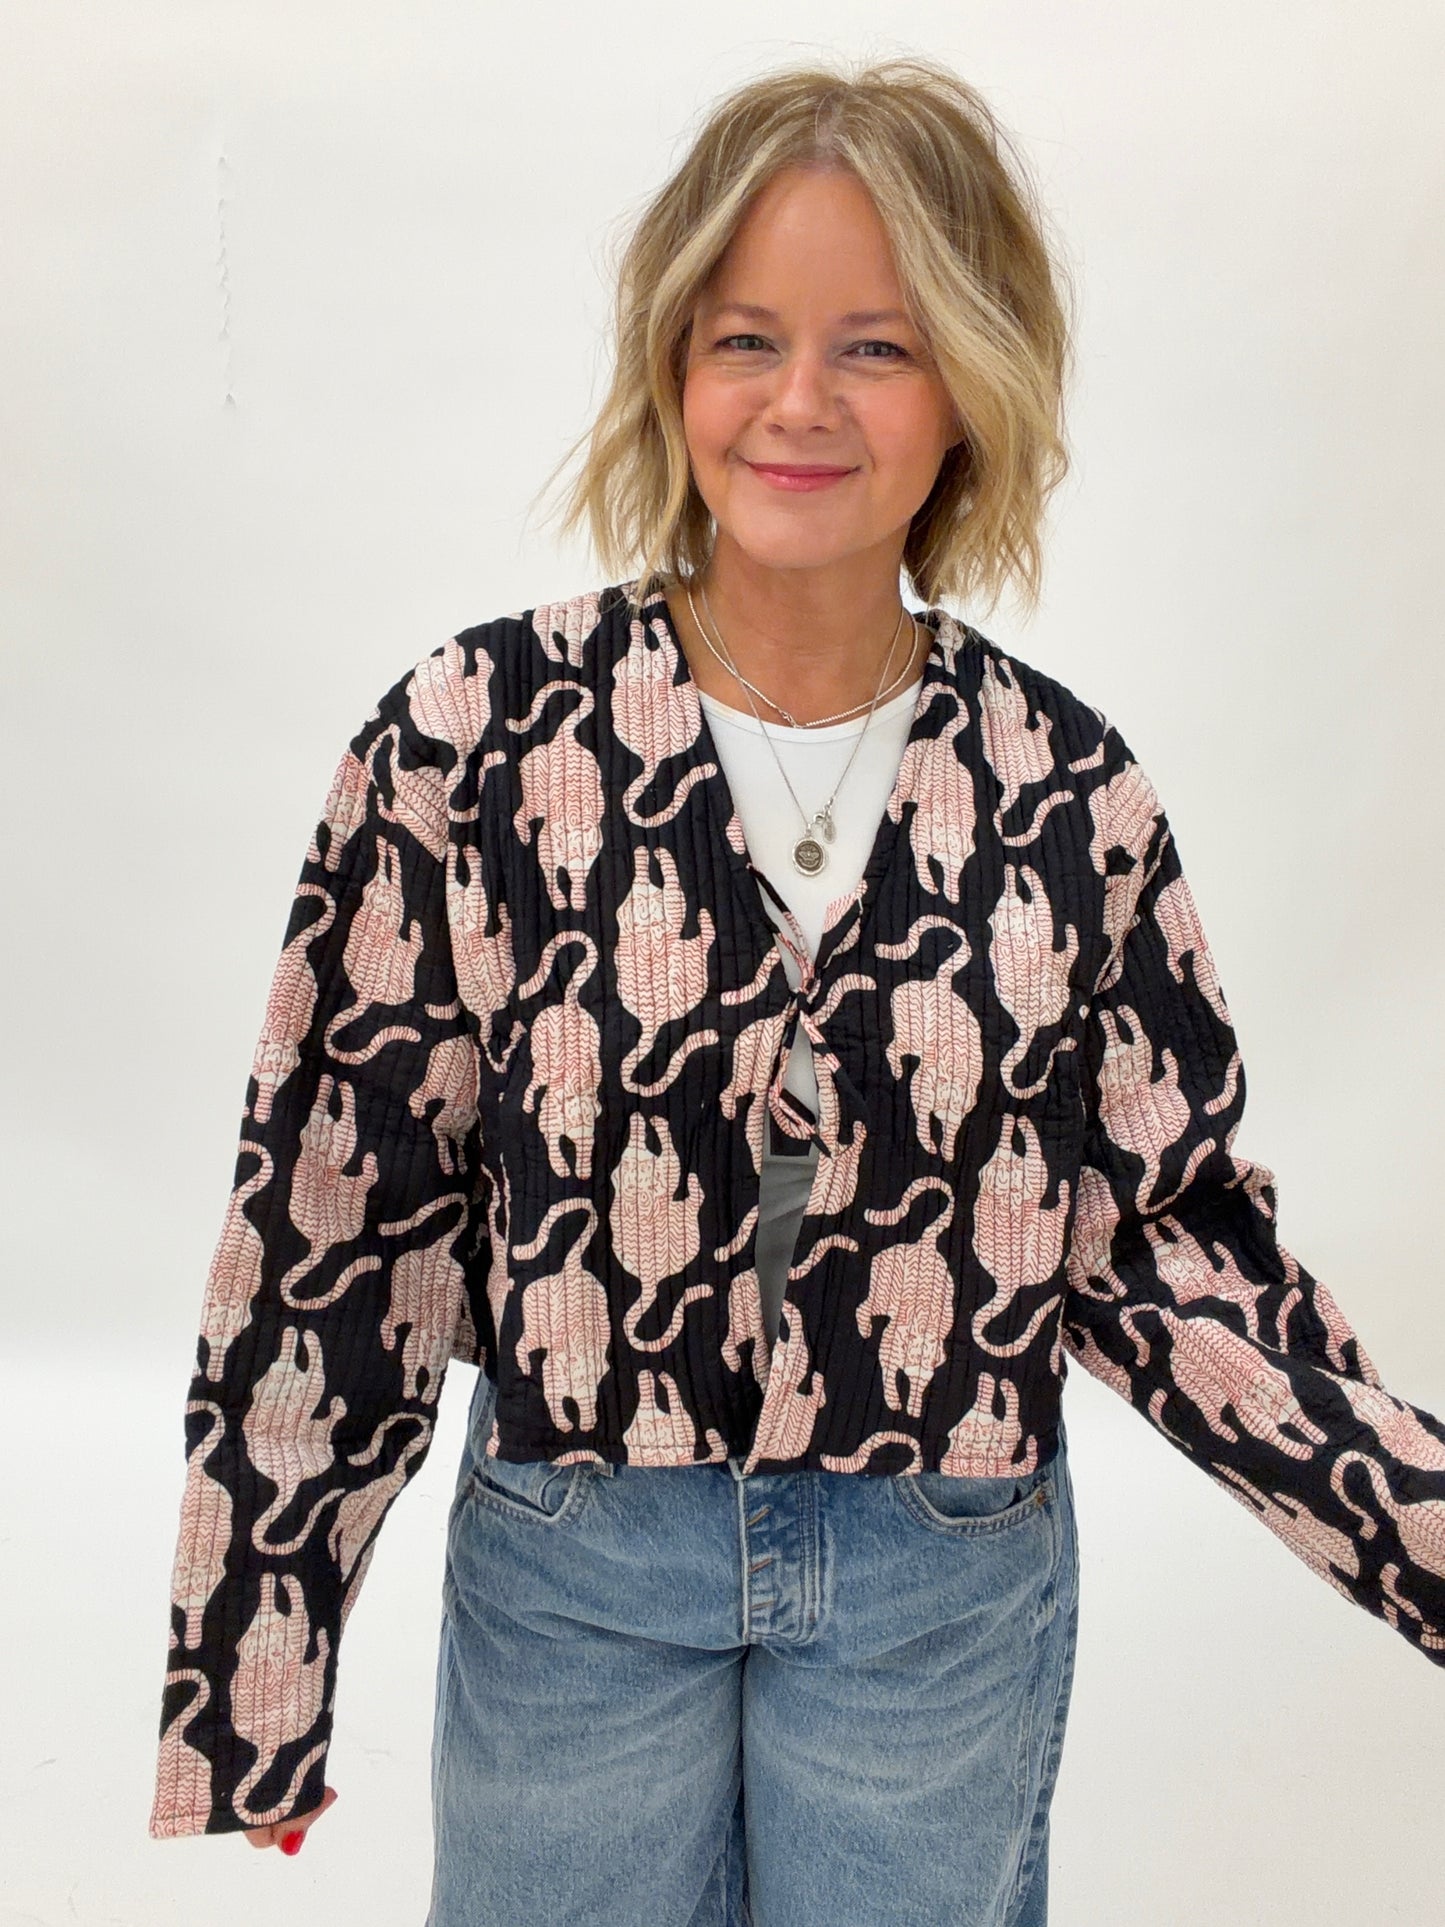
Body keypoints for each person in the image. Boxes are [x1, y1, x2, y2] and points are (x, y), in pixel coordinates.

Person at [147, 52, 1445, 1926]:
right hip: (575, 1560)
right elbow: (343, 1213)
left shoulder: (1069, 795)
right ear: (672, 363)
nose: (799, 404)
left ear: (969, 394)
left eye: (879, 347)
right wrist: (250, 1677)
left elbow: (1168, 1245)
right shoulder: (475, 745)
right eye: (745, 337)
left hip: (939, 1576)